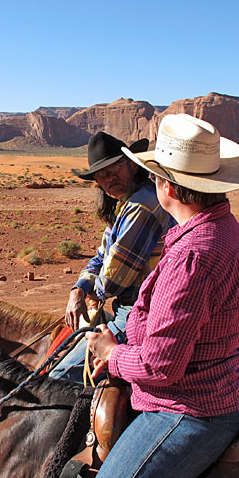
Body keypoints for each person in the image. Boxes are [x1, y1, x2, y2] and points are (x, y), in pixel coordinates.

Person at [85, 113, 239, 478]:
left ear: (167, 186)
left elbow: (160, 366)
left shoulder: (191, 257)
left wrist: (112, 353)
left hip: (192, 409)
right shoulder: (223, 230)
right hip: (227, 383)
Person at [48, 132, 175, 382]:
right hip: (130, 307)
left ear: (131, 164)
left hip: (140, 311)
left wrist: (93, 291)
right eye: (101, 175)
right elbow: (101, 256)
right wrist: (78, 290)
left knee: (58, 377)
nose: (109, 178)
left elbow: (113, 279)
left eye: (114, 168)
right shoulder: (126, 203)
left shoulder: (141, 206)